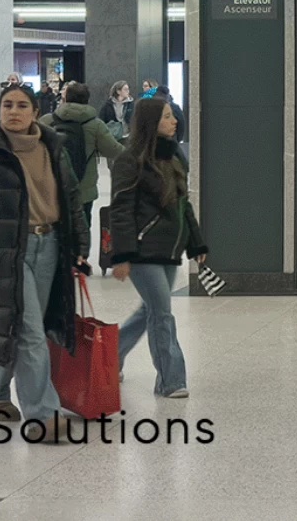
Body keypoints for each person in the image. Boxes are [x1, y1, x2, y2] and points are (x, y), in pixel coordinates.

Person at [0, 82, 90, 438]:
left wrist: (81, 246)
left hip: (50, 245)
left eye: (22, 105)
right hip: (5, 254)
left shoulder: (53, 149)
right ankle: (42, 416)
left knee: (25, 327)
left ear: (35, 112)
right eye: (7, 105)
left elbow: (71, 200)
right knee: (30, 333)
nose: (14, 111)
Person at [108, 97, 207, 398]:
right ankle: (171, 380)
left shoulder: (173, 155)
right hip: (142, 250)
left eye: (172, 116)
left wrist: (196, 242)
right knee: (162, 312)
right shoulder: (129, 159)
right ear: (151, 122)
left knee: (149, 310)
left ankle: (111, 355)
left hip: (169, 248)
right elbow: (120, 210)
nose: (174, 121)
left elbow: (183, 204)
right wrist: (122, 255)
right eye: (166, 116)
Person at [40, 82, 124, 260]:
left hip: (52, 187)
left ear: (65, 98)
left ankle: (58, 261)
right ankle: (79, 260)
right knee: (82, 228)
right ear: (87, 100)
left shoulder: (48, 121)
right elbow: (113, 151)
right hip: (84, 190)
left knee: (56, 227)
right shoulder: (95, 125)